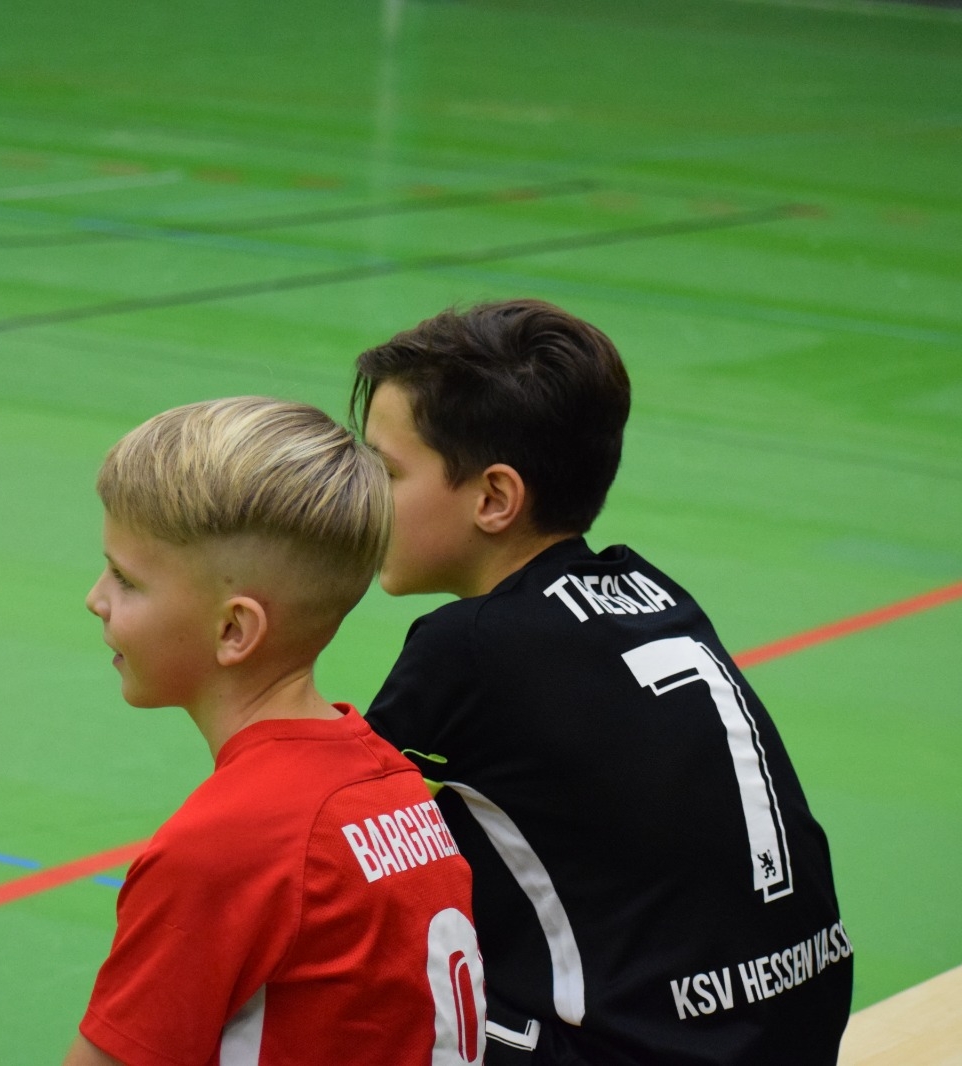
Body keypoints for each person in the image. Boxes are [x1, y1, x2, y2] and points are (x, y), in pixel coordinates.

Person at [352, 301, 852, 1065]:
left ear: (494, 498)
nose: (360, 496)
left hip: (636, 1054)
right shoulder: (653, 593)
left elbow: (322, 823)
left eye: (385, 472)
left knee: (351, 969)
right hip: (793, 1031)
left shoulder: (471, 644)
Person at [64, 397, 486, 1066]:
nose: (96, 598)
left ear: (234, 629)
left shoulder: (225, 846)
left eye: (126, 580)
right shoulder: (399, 789)